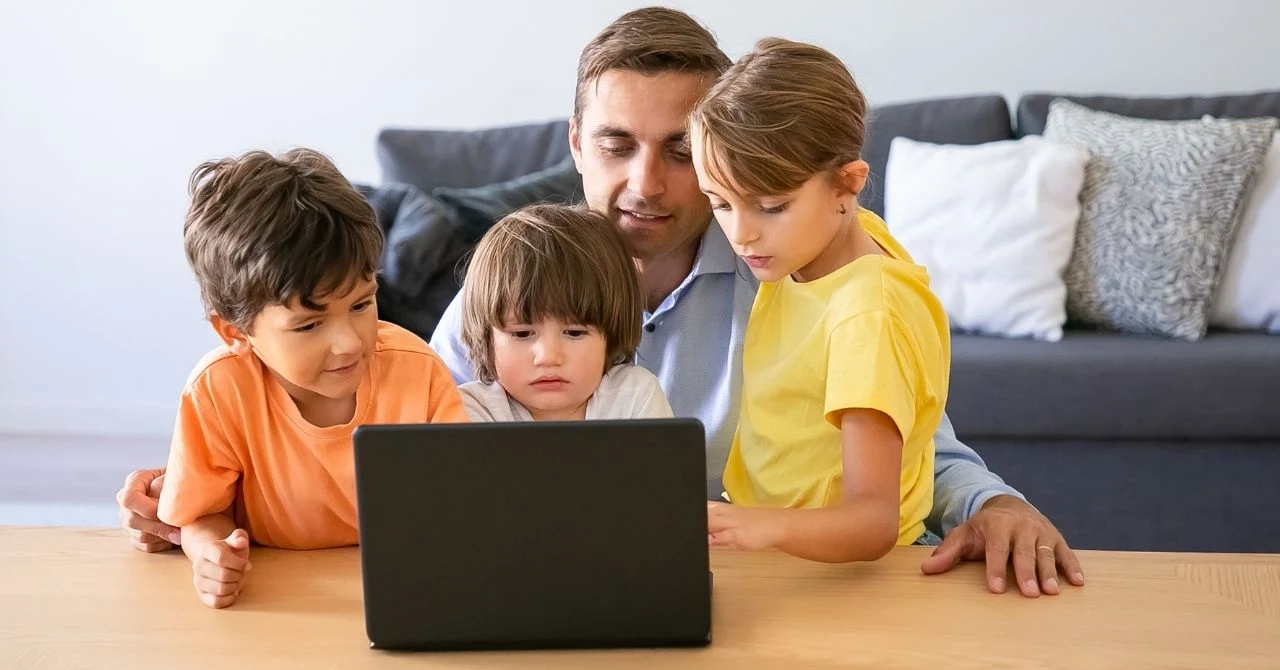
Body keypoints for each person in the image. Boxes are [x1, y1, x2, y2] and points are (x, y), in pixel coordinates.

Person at [120, 7, 1083, 598]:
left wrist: (996, 502)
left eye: (679, 152)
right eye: (618, 144)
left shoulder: (789, 270)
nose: (647, 185)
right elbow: (394, 436)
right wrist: (203, 500)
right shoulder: (513, 279)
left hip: (752, 595)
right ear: (575, 144)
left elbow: (912, 440)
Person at [156, 148, 467, 608]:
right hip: (283, 601)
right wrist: (211, 554)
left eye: (361, 304)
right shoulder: (218, 391)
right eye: (308, 325)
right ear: (235, 331)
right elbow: (203, 514)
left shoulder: (417, 371)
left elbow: (462, 506)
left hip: (399, 593)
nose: (348, 343)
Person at [689, 37, 949, 563]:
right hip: (787, 552)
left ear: (847, 185)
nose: (742, 235)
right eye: (719, 202)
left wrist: (760, 526)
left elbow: (873, 521)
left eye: (771, 206)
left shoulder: (866, 316)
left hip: (849, 571)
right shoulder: (824, 245)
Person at [457, 203, 672, 421]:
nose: (549, 357)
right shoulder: (472, 409)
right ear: (486, 339)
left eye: (574, 333)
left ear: (611, 336)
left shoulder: (633, 395)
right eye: (522, 334)